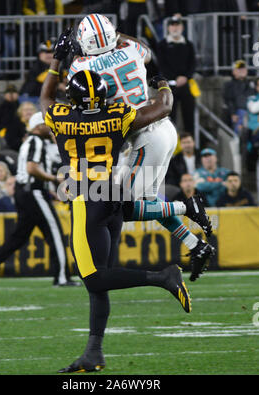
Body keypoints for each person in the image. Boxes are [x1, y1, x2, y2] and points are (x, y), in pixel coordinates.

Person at [40, 31, 214, 373]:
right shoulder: (118, 113)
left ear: (72, 100)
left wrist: (58, 62)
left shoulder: (61, 117)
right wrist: (160, 81)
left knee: (92, 277)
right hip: (114, 192)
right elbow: (163, 106)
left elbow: (45, 97)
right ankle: (94, 352)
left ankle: (163, 277)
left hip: (86, 199)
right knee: (103, 278)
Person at [69, 14, 214, 278]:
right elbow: (145, 51)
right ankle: (195, 244)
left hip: (144, 135)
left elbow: (72, 90)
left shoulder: (80, 66)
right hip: (160, 125)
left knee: (124, 207)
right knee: (148, 201)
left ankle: (187, 207)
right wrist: (117, 36)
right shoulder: (132, 51)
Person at [0, 111, 79, 288]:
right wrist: (54, 179)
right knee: (55, 233)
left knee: (18, 238)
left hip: (25, 192)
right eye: (47, 124)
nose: (50, 128)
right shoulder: (36, 141)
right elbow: (31, 168)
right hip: (33, 192)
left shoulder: (29, 141)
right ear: (38, 126)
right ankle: (61, 277)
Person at [156, 16, 196, 134]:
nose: (175, 28)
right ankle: (172, 147)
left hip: (185, 85)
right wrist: (174, 78)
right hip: (169, 86)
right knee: (169, 118)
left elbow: (192, 63)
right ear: (168, 28)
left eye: (177, 25)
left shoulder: (188, 44)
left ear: (182, 27)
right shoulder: (162, 44)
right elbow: (162, 65)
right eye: (172, 25)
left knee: (189, 117)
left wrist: (186, 77)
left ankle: (190, 143)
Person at [222, 60, 254, 135]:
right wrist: (232, 113)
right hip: (239, 114)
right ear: (234, 71)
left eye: (243, 68)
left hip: (252, 113)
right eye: (239, 69)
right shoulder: (229, 85)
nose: (242, 71)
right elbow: (228, 100)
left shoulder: (251, 83)